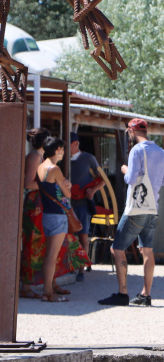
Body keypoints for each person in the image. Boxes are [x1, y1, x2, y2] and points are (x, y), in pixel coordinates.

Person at [99, 119, 164, 307]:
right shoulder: (162, 152)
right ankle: (146, 294)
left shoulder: (136, 151)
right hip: (153, 207)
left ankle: (122, 292)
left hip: (136, 208)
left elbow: (130, 179)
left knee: (117, 248)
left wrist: (125, 169)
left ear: (131, 132)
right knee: (147, 250)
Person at [20, 129, 90, 299]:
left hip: (44, 207)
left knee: (47, 249)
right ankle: (42, 288)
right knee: (41, 248)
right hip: (42, 206)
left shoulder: (42, 162)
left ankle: (51, 284)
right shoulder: (38, 158)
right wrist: (56, 185)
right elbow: (29, 183)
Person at [36, 137, 73, 302]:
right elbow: (68, 194)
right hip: (58, 215)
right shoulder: (55, 168)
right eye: (63, 149)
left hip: (46, 214)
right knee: (52, 255)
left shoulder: (40, 167)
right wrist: (67, 186)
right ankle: (48, 292)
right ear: (58, 149)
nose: (64, 152)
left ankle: (48, 290)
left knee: (48, 255)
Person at [69, 132, 106, 281]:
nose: (64, 148)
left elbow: (103, 179)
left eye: (68, 145)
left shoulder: (88, 158)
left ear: (76, 144)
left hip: (83, 204)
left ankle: (81, 270)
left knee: (83, 237)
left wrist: (93, 189)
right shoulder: (62, 159)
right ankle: (68, 268)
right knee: (68, 237)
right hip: (67, 205)